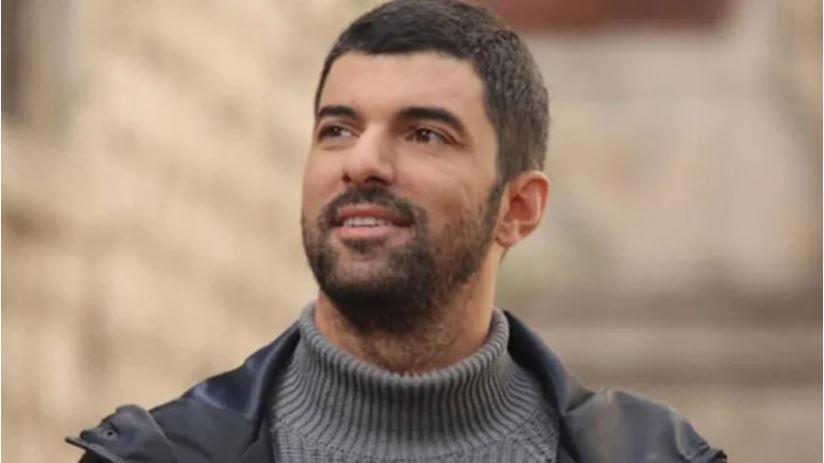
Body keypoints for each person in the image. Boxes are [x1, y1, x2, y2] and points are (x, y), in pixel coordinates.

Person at [68, 1, 725, 462]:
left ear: (518, 209)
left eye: (425, 134)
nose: (362, 162)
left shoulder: (649, 454)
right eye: (338, 129)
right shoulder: (163, 454)